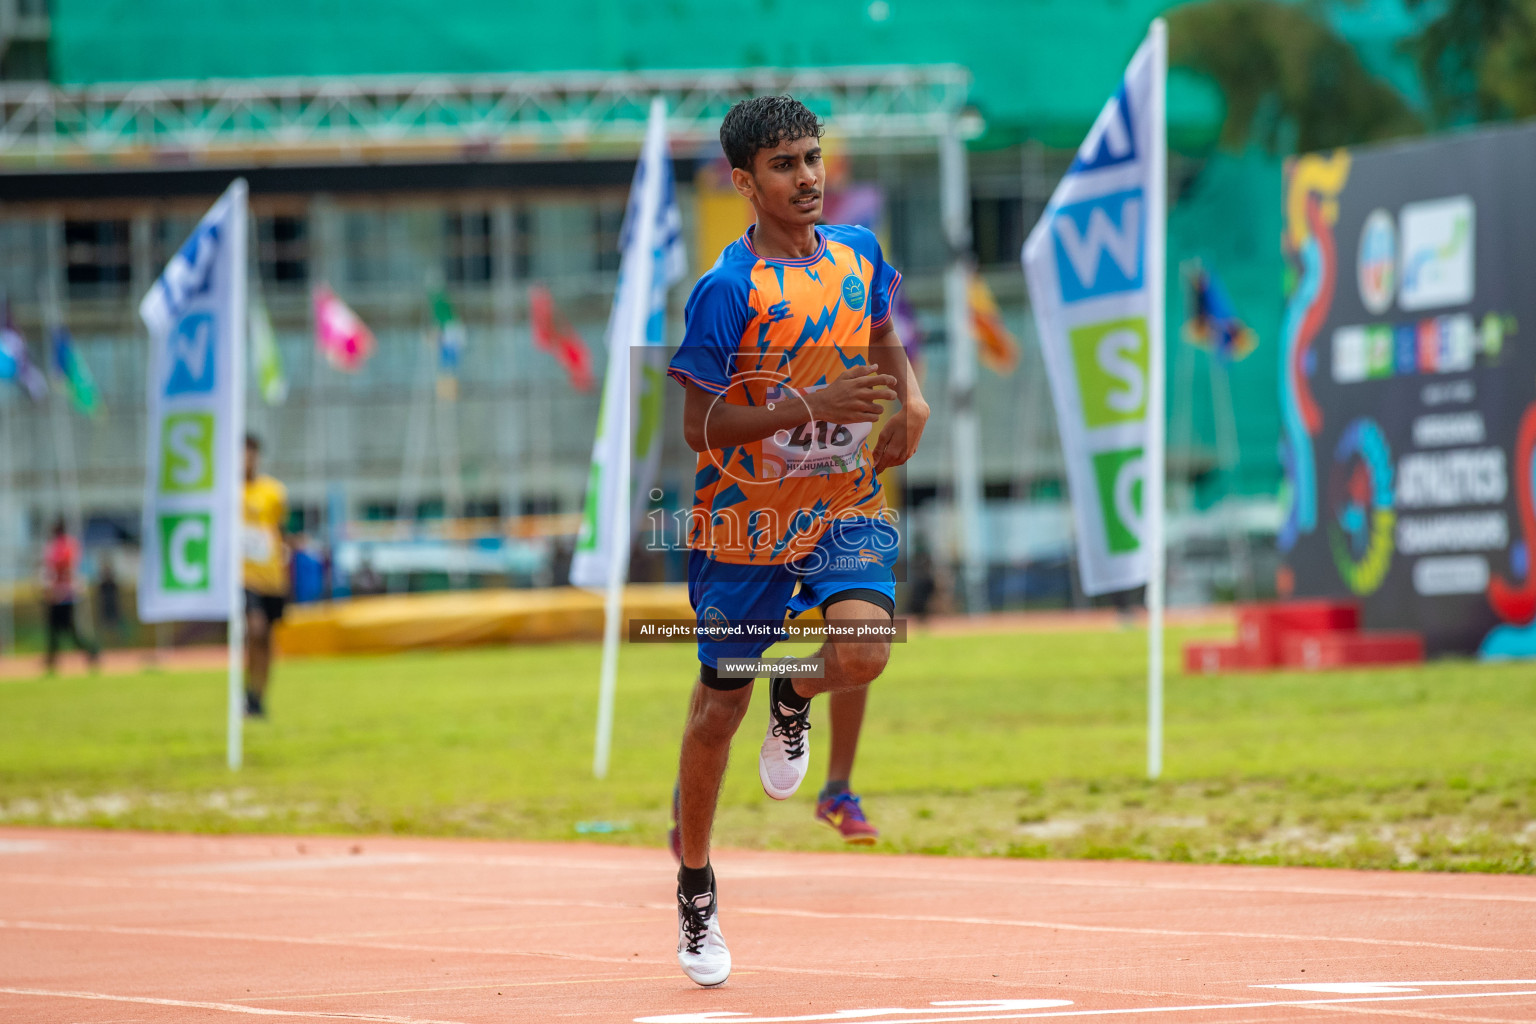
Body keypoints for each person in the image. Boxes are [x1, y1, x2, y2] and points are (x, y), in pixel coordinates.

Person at [666, 95, 928, 987]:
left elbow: (882, 331)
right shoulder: (726, 289)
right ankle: (696, 885)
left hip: (845, 503)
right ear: (745, 183)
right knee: (716, 711)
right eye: (784, 165)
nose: (807, 177)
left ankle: (798, 688)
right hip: (746, 523)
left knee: (863, 652)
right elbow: (700, 425)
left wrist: (914, 397)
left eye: (813, 158)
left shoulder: (858, 252)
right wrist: (808, 409)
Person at [242, 434, 290, 718]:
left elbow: (279, 531)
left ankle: (258, 696)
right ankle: (246, 691)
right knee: (253, 629)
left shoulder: (274, 492)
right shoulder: (226, 493)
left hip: (271, 577)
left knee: (267, 641)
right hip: (243, 577)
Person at [40, 518, 99, 673]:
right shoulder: (60, 546)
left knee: (70, 631)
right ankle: (51, 658)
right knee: (54, 630)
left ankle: (92, 651)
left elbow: (63, 567)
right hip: (59, 594)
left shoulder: (64, 546)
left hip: (65, 594)